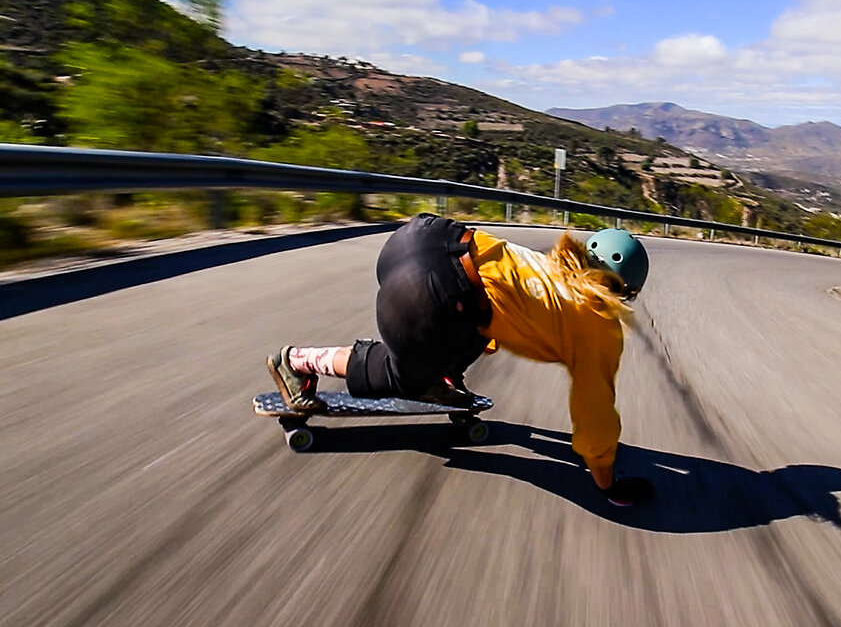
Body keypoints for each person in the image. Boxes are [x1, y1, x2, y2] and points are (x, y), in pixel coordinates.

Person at [266, 213, 655, 506]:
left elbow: (503, 315)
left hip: (424, 237)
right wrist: (608, 481)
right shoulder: (598, 325)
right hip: (426, 292)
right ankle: (297, 361)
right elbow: (595, 413)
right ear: (626, 292)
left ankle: (443, 375)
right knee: (402, 376)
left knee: (474, 322)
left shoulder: (555, 265)